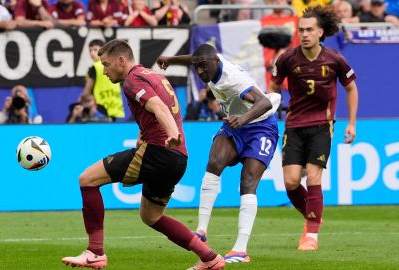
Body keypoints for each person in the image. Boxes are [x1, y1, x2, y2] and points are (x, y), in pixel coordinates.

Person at [61, 39, 225, 270]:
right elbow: (156, 107)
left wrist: (172, 132)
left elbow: (158, 106)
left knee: (87, 180)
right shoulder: (154, 75)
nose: (104, 71)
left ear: (121, 60)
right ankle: (210, 258)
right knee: (151, 216)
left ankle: (95, 252)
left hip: (159, 152)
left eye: (106, 65)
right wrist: (145, 132)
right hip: (178, 158)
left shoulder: (132, 80)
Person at [156, 44, 281, 264]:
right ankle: (201, 230)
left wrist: (242, 119)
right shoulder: (210, 61)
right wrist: (171, 59)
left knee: (248, 182)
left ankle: (240, 249)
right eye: (198, 68)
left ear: (215, 62)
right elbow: (195, 58)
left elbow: (263, 101)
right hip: (235, 124)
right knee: (214, 162)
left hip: (260, 126)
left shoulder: (233, 79)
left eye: (204, 67)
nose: (201, 72)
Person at [268, 6, 359, 251]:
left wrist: (351, 123)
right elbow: (273, 86)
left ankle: (311, 234)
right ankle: (312, 214)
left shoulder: (334, 59)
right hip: (294, 124)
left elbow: (351, 88)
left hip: (322, 124)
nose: (304, 34)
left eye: (309, 30)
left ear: (320, 32)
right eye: (301, 30)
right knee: (291, 182)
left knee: (314, 174)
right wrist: (271, 109)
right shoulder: (287, 58)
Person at [81, 39, 125, 120]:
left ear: (103, 51)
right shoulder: (114, 65)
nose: (92, 53)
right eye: (90, 50)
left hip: (100, 110)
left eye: (95, 50)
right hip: (116, 109)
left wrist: (80, 101)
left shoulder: (94, 67)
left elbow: (86, 92)